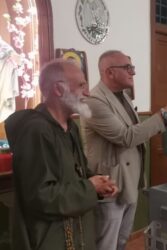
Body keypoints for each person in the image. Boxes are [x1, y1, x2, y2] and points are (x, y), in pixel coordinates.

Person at [83, 50, 167, 250]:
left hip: (129, 180)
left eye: (132, 67)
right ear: (109, 72)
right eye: (127, 68)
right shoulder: (93, 102)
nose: (133, 72)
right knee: (106, 244)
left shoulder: (123, 96)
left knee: (122, 240)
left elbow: (135, 131)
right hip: (109, 184)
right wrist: (164, 113)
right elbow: (126, 137)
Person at [4, 59, 118, 250]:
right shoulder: (36, 131)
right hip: (49, 239)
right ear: (58, 89)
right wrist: (90, 187)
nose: (88, 92)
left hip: (77, 234)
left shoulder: (70, 127)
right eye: (81, 85)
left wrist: (97, 182)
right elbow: (41, 197)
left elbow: (73, 173)